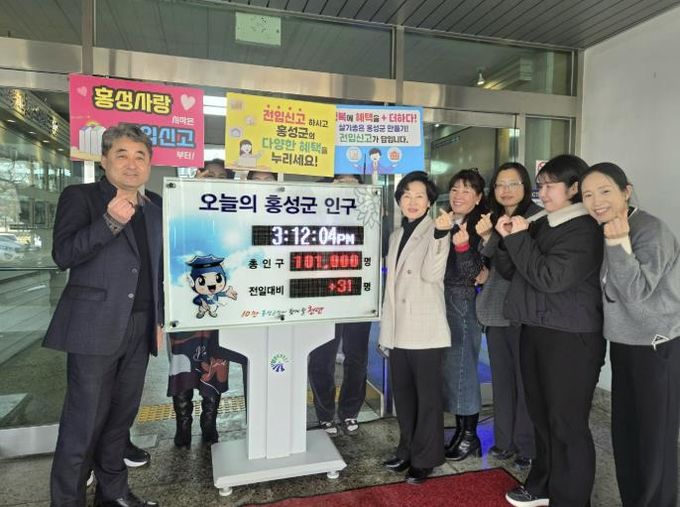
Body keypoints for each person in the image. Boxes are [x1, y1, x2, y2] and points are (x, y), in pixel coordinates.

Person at [44, 124, 162, 507]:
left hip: (140, 328)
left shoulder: (155, 205)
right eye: (122, 154)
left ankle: (113, 495)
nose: (132, 164)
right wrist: (109, 222)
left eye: (140, 156)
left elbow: (157, 268)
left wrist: (160, 319)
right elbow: (63, 254)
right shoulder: (81, 197)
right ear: (105, 159)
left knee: (119, 421)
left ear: (149, 163)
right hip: (94, 329)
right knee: (83, 424)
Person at [495, 155, 605, 507]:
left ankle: (571, 498)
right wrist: (508, 238)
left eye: (549, 185)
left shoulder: (584, 228)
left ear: (574, 188)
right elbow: (514, 271)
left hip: (570, 338)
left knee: (567, 423)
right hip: (536, 328)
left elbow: (551, 278)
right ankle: (542, 484)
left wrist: (519, 239)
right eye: (540, 186)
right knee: (542, 417)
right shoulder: (543, 222)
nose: (542, 193)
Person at [581, 163, 680, 507]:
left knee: (654, 440)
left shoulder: (650, 231)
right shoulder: (605, 228)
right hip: (624, 344)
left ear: (626, 191)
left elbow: (635, 292)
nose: (596, 201)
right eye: (588, 195)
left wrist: (618, 242)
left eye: (605, 191)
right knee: (626, 434)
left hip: (656, 346)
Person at [379, 171, 451, 485]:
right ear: (399, 200)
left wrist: (441, 235)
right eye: (406, 195)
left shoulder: (436, 230)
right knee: (405, 396)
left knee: (428, 399)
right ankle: (407, 448)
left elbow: (433, 274)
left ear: (430, 201)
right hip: (398, 330)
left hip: (425, 329)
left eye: (420, 195)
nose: (412, 201)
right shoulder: (396, 235)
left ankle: (426, 458)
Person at [167, 168, 247, 448]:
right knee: (182, 367)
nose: (213, 181)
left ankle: (209, 422)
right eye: (208, 175)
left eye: (221, 178)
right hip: (184, 312)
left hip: (220, 312)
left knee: (216, 363)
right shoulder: (179, 213)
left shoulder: (234, 220)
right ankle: (183, 423)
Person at [474, 162, 540, 470]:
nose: (506, 190)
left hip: (525, 313)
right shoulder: (492, 219)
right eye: (500, 184)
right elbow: (485, 263)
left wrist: (493, 239)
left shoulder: (536, 220)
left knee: (525, 382)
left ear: (525, 187)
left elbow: (521, 266)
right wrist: (488, 237)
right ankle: (504, 441)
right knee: (502, 380)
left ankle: (527, 445)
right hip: (495, 310)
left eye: (513, 184)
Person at [308, 173, 371, 436]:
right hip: (323, 297)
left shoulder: (369, 214)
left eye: (352, 181)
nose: (346, 186)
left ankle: (349, 411)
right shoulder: (316, 212)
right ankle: (325, 414)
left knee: (357, 358)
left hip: (358, 297)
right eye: (340, 180)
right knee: (322, 358)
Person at [437, 169, 488, 461]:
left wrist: (463, 246)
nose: (459, 195)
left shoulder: (480, 226)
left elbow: (474, 273)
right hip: (440, 299)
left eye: (467, 190)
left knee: (462, 369)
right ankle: (460, 432)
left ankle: (469, 436)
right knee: (450, 367)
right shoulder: (444, 220)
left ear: (478, 197)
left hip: (463, 302)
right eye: (455, 189)